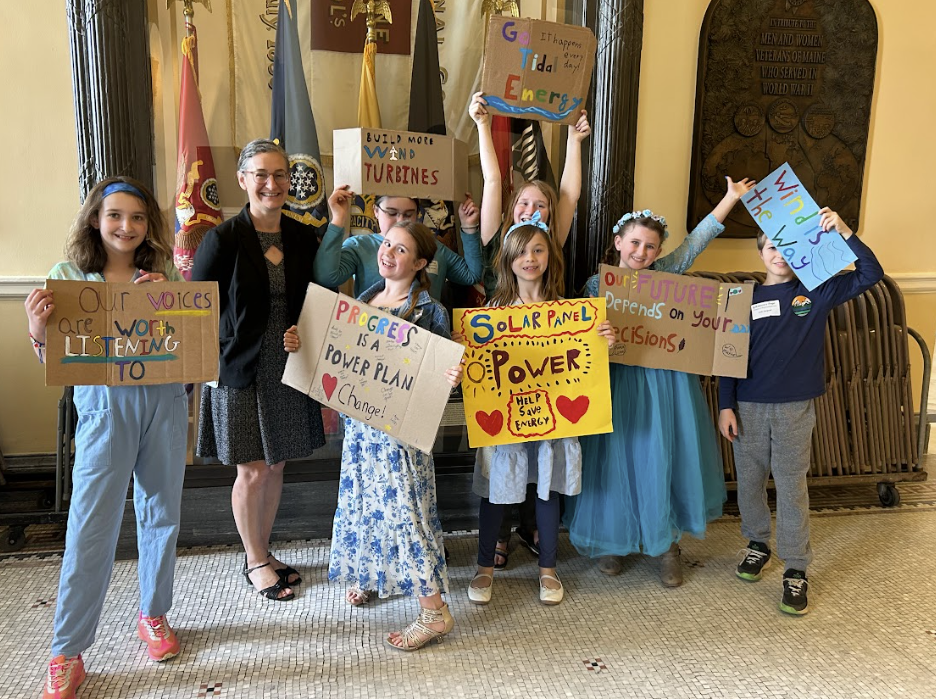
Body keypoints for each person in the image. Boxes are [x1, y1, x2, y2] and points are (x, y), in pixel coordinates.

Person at [25, 177, 187, 699]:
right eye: (115, 214)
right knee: (90, 526)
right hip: (103, 409)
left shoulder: (165, 272)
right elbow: (56, 360)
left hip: (163, 402)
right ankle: (67, 651)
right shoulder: (67, 277)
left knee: (161, 513)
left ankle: (154, 613)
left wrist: (165, 305)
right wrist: (37, 330)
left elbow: (187, 346)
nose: (126, 226)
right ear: (95, 219)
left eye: (137, 217)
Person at [564, 177, 755, 587]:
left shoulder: (665, 274)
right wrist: (599, 336)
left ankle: (667, 544)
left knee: (661, 455)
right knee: (615, 458)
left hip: (663, 383)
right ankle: (613, 538)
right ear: (618, 242)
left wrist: (730, 198)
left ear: (658, 251)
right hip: (617, 382)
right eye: (634, 243)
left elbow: (695, 243)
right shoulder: (595, 286)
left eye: (650, 247)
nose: (641, 252)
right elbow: (578, 339)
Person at [191, 139, 351, 602]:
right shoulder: (222, 239)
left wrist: (303, 328)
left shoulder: (301, 236)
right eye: (261, 174)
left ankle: (263, 550)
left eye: (280, 174)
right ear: (243, 179)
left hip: (288, 365)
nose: (272, 183)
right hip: (238, 369)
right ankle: (255, 560)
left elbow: (318, 299)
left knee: (276, 463)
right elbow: (196, 309)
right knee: (253, 471)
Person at [308, 221, 464, 651]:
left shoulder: (429, 311)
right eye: (387, 243)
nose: (388, 253)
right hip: (361, 431)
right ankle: (371, 573)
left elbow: (438, 376)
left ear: (420, 263)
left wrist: (451, 374)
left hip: (400, 436)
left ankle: (434, 612)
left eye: (401, 250)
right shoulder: (362, 300)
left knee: (403, 510)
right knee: (363, 502)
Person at [718, 208, 883, 615]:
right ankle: (758, 543)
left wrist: (844, 231)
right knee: (750, 482)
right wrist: (725, 405)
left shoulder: (818, 291)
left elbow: (870, 273)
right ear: (760, 253)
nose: (780, 255)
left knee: (792, 486)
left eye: (788, 248)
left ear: (801, 253)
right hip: (748, 407)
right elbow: (727, 357)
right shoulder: (741, 299)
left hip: (794, 409)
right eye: (772, 247)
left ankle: (796, 567)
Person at [462, 217, 615, 606]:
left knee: (548, 489)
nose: (529, 258)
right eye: (521, 252)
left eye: (538, 249)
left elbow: (588, 364)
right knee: (496, 493)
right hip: (506, 420)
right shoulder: (492, 312)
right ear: (508, 260)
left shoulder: (571, 312)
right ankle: (484, 567)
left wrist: (606, 341)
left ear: (550, 256)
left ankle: (548, 569)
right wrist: (461, 348)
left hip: (553, 420)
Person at [468, 91, 591, 299]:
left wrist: (574, 140)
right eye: (524, 203)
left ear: (549, 213)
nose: (531, 210)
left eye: (540, 205)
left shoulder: (550, 240)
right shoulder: (496, 238)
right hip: (499, 317)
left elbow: (569, 195)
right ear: (512, 208)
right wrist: (482, 125)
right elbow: (492, 179)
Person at [313, 192, 483, 300]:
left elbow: (471, 275)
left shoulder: (431, 247)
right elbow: (326, 277)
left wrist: (469, 227)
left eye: (408, 214)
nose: (400, 221)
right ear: (376, 211)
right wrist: (338, 219)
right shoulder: (359, 246)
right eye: (392, 213)